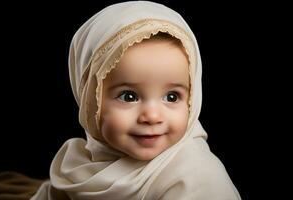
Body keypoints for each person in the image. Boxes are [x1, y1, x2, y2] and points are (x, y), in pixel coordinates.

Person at [31, 1, 241, 199]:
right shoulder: (76, 167)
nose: (152, 116)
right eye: (128, 96)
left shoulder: (198, 179)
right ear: (89, 98)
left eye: (172, 96)